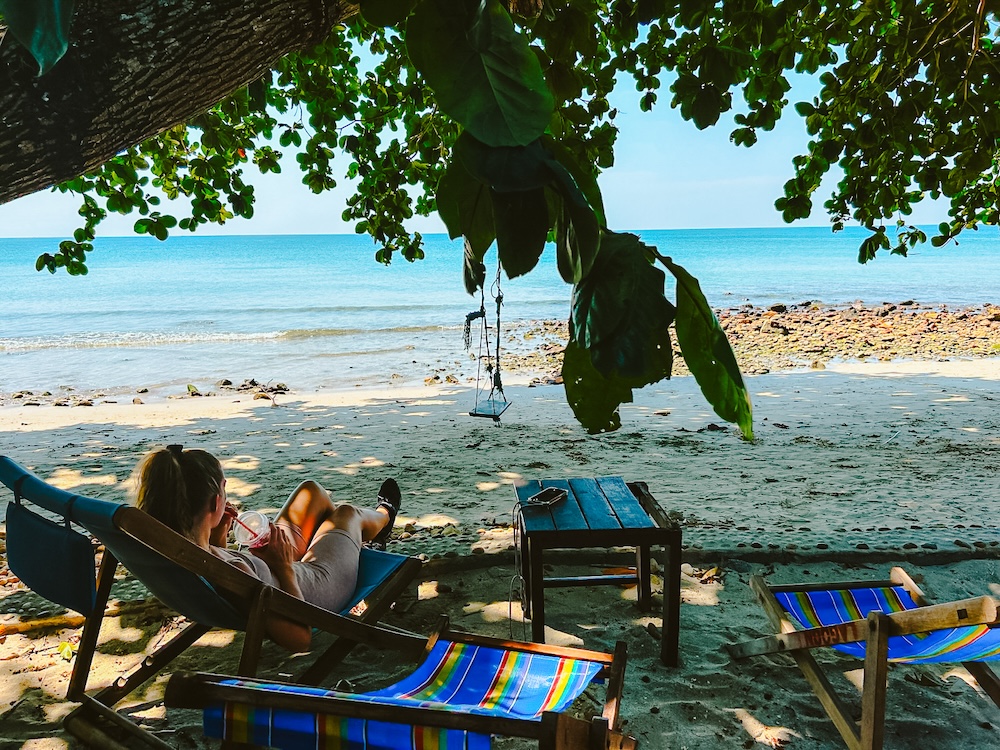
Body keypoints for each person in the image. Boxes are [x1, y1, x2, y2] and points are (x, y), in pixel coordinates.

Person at [131, 444, 401, 652]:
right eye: (224, 489)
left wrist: (218, 534)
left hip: (273, 574)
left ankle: (357, 539)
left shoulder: (180, 551)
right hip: (315, 587)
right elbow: (299, 639)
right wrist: (283, 566)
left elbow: (219, 569)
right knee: (345, 514)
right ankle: (384, 518)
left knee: (311, 493)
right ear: (215, 503)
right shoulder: (233, 571)